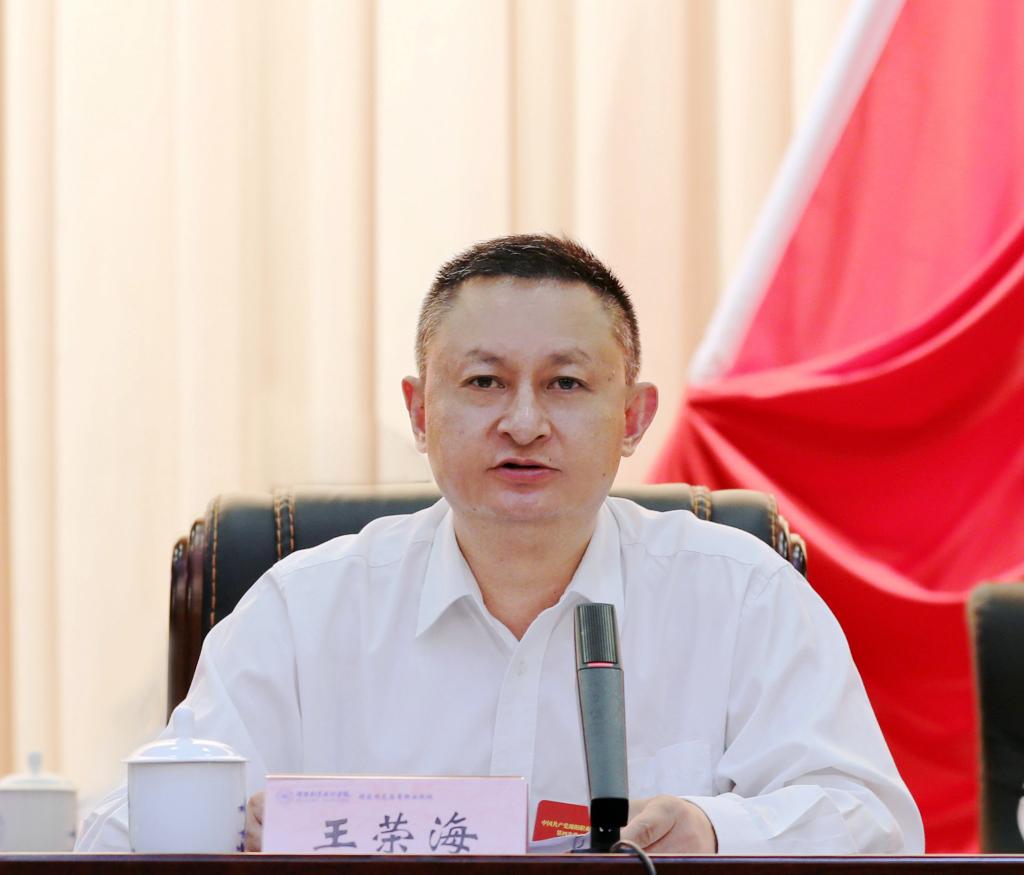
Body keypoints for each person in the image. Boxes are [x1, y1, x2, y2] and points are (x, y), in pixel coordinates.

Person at [77, 234, 923, 854]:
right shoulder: (304, 610)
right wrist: (222, 827)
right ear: (419, 411)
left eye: (565, 382)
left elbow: (876, 822)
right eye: (483, 381)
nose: (523, 421)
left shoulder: (742, 595)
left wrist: (713, 827)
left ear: (633, 417)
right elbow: (112, 833)